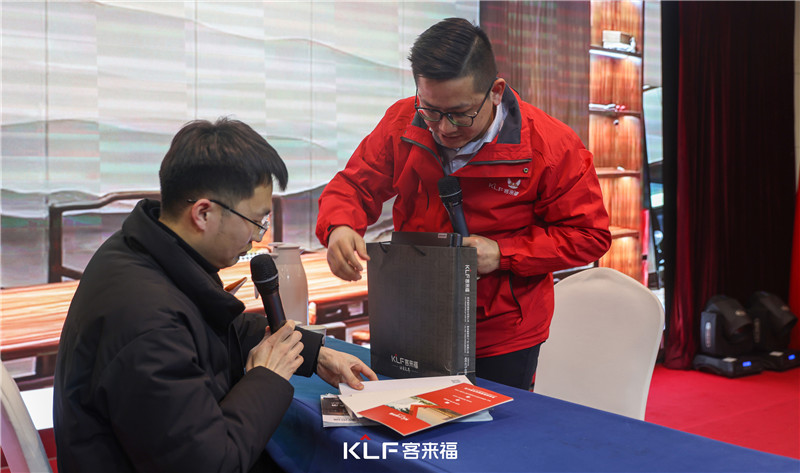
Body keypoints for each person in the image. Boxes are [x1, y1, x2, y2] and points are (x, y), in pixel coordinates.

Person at [53, 118, 377, 473]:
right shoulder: (147, 325)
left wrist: (311, 353)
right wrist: (266, 378)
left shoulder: (143, 249)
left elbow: (217, 327)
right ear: (203, 213)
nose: (257, 237)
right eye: (256, 221)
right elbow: (211, 464)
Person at [316, 18, 611, 390]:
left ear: (495, 92)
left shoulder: (551, 146)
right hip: (412, 315)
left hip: (500, 332)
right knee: (403, 418)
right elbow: (354, 186)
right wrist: (340, 226)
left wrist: (503, 253)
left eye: (460, 113)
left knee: (490, 426)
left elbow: (589, 235)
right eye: (431, 110)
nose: (445, 128)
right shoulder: (402, 122)